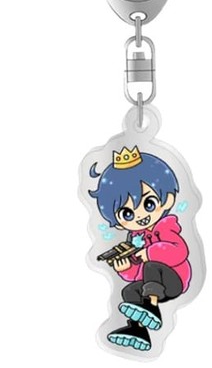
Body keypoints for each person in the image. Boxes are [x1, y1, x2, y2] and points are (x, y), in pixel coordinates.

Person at [89, 146, 191, 351]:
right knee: (129, 291)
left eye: (149, 204)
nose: (140, 215)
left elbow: (179, 251)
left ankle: (151, 306)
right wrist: (126, 267)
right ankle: (138, 329)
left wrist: (148, 253)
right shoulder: (136, 238)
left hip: (175, 279)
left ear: (167, 200)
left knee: (152, 266)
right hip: (154, 285)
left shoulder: (167, 226)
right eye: (127, 214)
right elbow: (138, 274)